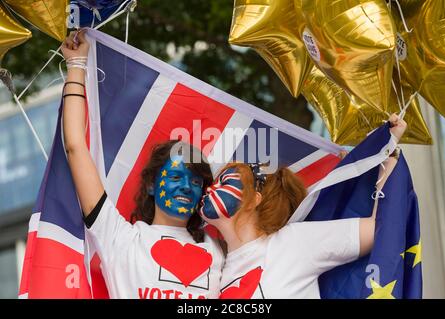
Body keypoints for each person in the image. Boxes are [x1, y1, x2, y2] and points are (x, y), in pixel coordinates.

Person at [61, 30, 223, 299]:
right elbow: (75, 147)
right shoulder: (120, 238)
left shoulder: (220, 251)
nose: (185, 186)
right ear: (151, 185)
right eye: (174, 178)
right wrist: (76, 65)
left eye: (196, 181)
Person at [199, 114, 407, 298]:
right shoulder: (217, 270)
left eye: (224, 182)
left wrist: (385, 154)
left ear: (255, 199)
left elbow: (378, 228)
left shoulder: (293, 242)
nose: (209, 188)